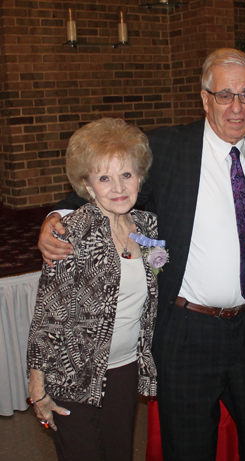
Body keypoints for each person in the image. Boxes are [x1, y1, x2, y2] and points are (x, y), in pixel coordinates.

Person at [38, 49, 245, 461]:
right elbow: (107, 184)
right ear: (205, 98)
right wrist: (57, 217)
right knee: (188, 449)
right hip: (187, 333)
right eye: (224, 95)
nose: (236, 107)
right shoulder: (168, 149)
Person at [27, 118, 163, 461]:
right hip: (73, 373)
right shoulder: (71, 233)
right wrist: (37, 388)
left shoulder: (148, 228)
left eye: (126, 175)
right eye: (105, 178)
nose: (118, 187)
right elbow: (48, 316)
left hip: (125, 370)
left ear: (140, 178)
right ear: (88, 186)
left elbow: (158, 277)